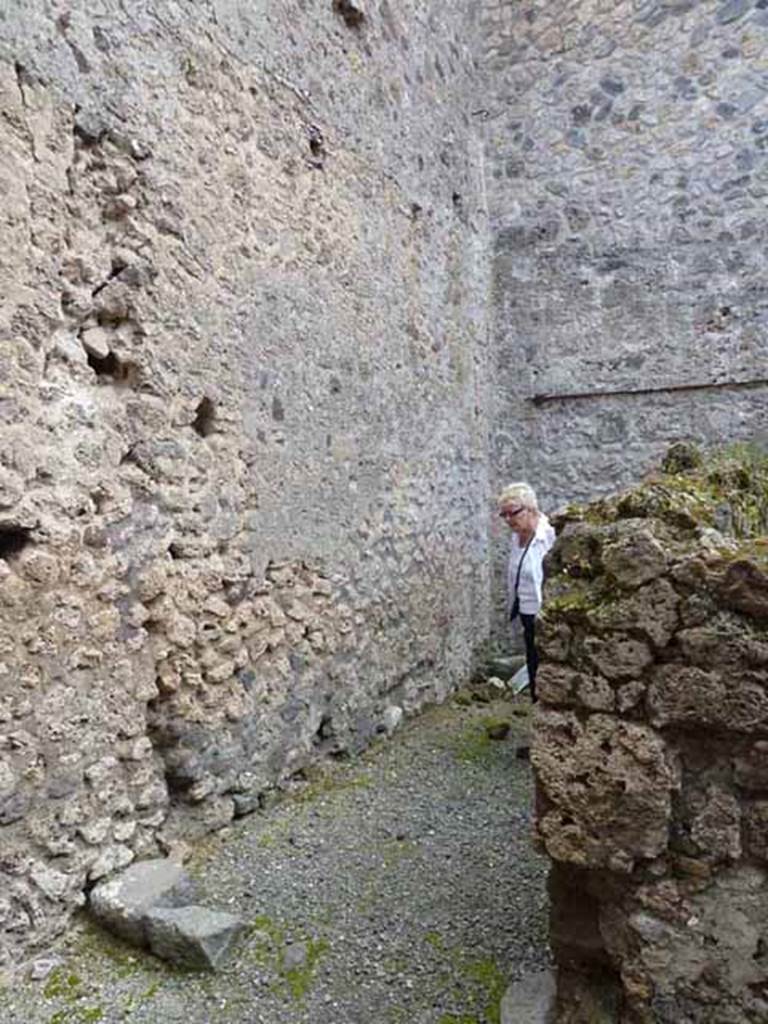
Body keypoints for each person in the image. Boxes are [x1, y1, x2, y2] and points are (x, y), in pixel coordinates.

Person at [498, 482, 556, 702]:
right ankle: (537, 703)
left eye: (512, 513)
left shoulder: (549, 534)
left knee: (548, 661)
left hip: (546, 612)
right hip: (527, 611)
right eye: (504, 515)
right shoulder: (517, 538)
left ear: (530, 508)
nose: (508, 520)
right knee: (533, 659)